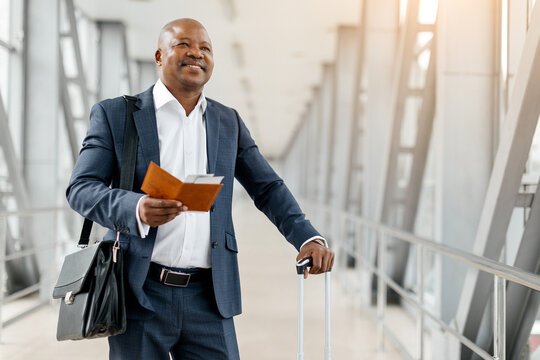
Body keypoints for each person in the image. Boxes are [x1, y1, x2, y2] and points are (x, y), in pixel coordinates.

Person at [67, 18, 334, 359]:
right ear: (159, 56)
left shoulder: (228, 121)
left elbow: (267, 187)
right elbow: (81, 188)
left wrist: (307, 237)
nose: (196, 53)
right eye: (183, 44)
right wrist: (135, 207)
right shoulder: (116, 114)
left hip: (209, 297)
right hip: (138, 292)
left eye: (205, 48)